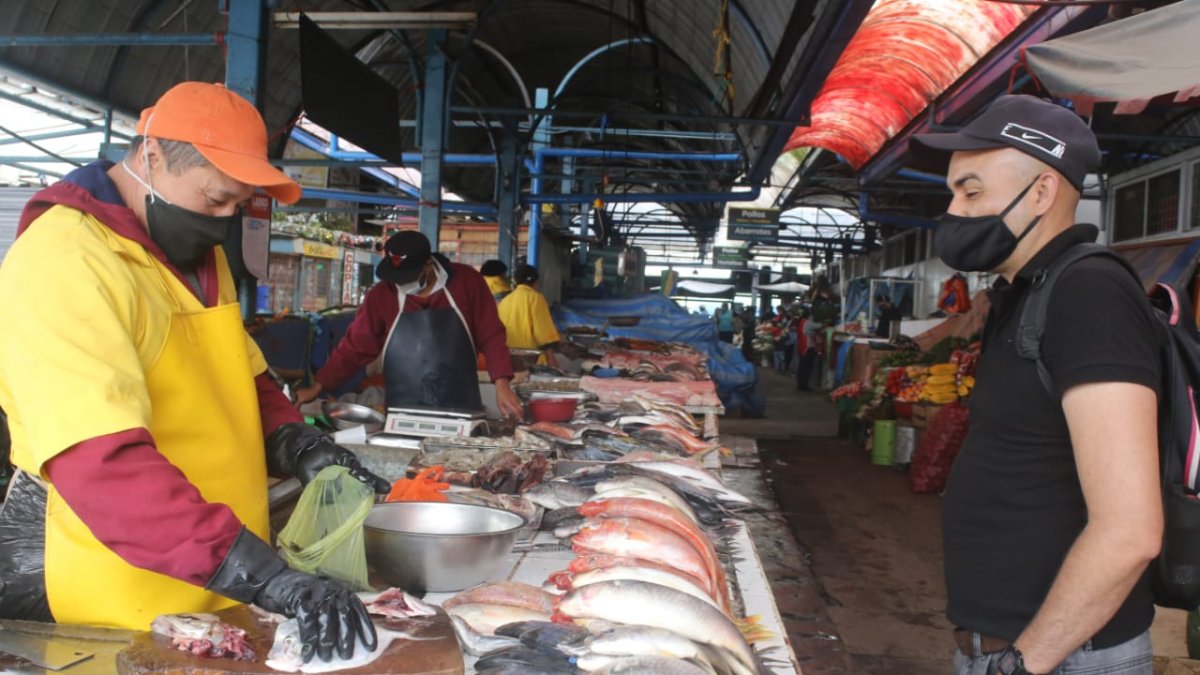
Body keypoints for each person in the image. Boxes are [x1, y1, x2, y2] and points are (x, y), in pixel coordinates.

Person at [0, 82, 387, 664]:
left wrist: (295, 442)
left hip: (226, 576)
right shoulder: (67, 260)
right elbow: (101, 463)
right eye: (214, 201)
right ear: (151, 156)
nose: (225, 222)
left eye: (239, 205)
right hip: (124, 590)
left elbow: (239, 376)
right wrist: (265, 577)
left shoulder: (199, 259)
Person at [910, 95, 1161, 674]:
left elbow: (1130, 529)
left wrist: (1027, 662)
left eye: (970, 192)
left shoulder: (1088, 294)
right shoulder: (1027, 292)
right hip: (1020, 651)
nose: (953, 210)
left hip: (1064, 658)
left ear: (1043, 192)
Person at [295, 231, 523, 417]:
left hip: (462, 407)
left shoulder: (467, 282)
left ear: (427, 266)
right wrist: (320, 384)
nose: (400, 285)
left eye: (407, 278)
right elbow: (355, 346)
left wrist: (501, 384)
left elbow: (491, 334)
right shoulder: (381, 295)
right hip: (400, 409)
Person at [497, 264, 561, 363]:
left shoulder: (505, 301)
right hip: (531, 360)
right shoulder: (535, 298)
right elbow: (543, 333)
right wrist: (551, 356)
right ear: (535, 281)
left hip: (508, 359)